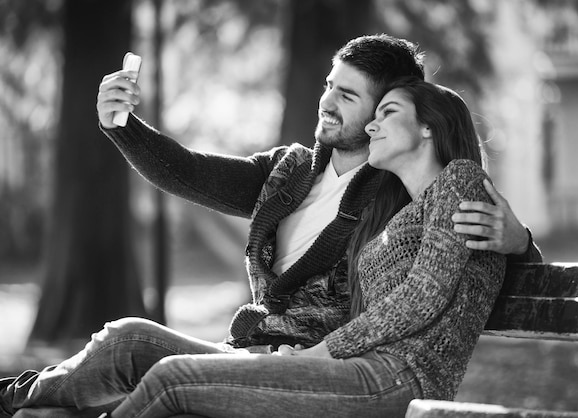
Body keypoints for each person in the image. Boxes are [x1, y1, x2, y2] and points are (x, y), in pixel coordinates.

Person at [0, 34, 540, 417]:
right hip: (259, 355)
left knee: (171, 383)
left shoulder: (405, 185)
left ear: (396, 113)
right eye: (330, 84)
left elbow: (467, 266)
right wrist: (121, 127)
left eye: (350, 96)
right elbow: (191, 172)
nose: (327, 101)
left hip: (326, 371)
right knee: (125, 340)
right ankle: (14, 399)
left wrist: (519, 242)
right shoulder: (289, 173)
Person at [94, 77, 507, 417]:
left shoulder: (460, 178)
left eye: (388, 113)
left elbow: (422, 297)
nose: (372, 127)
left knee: (173, 379)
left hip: (397, 379)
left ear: (428, 127)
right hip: (359, 370)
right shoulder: (405, 212)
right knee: (144, 356)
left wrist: (319, 354)